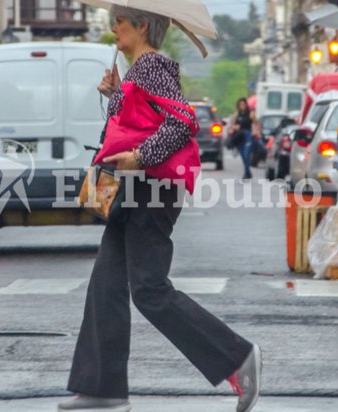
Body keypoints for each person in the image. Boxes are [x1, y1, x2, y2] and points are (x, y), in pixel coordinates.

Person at [59, 6, 261, 412]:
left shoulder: (152, 65)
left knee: (149, 290)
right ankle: (104, 389)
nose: (113, 28)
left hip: (151, 189)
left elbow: (181, 122)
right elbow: (142, 119)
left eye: (121, 22)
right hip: (134, 189)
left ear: (143, 26)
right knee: (106, 285)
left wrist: (140, 158)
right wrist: (115, 95)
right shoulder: (139, 69)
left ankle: (237, 358)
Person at [230, 98, 258, 180]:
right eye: (240, 104)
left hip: (247, 135)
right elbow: (232, 125)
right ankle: (248, 172)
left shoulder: (250, 113)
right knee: (242, 154)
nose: (242, 106)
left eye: (243, 104)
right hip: (239, 136)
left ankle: (246, 174)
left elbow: (256, 123)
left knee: (247, 154)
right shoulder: (237, 114)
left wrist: (254, 117)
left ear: (246, 105)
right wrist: (236, 127)